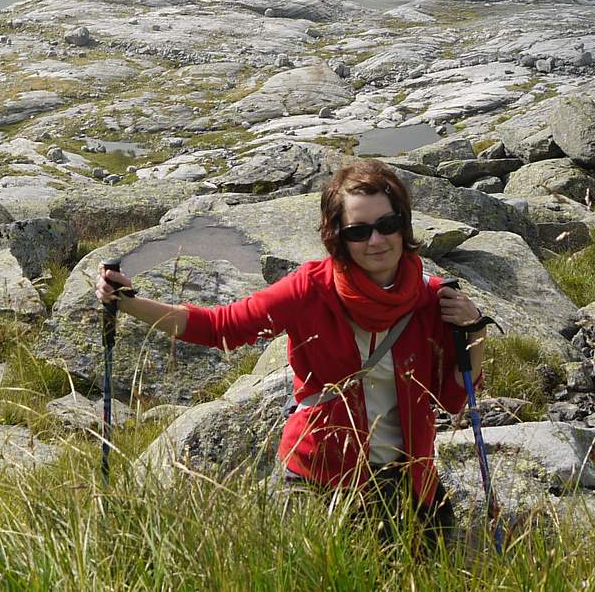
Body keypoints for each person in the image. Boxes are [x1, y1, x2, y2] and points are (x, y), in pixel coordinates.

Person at [97, 159, 491, 537]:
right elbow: (221, 327)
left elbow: (455, 397)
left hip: (409, 482)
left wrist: (474, 332)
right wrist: (129, 302)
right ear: (338, 235)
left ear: (403, 225)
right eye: (358, 231)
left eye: (387, 225)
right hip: (322, 481)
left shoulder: (434, 299)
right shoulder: (310, 290)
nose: (376, 240)